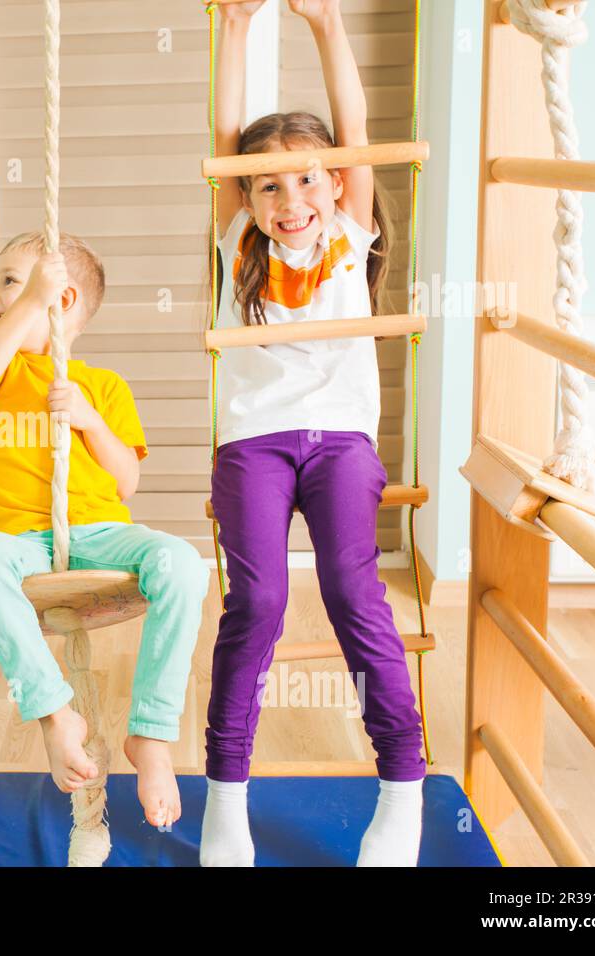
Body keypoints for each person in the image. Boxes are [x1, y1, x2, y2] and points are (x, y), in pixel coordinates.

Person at [202, 0, 426, 866]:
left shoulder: (347, 230)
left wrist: (327, 24)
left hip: (340, 439)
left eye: (305, 178)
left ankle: (400, 792)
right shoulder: (237, 240)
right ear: (246, 195)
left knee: (351, 591)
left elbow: (356, 127)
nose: (289, 198)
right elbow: (226, 133)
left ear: (336, 182)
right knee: (256, 601)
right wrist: (237, 26)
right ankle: (228, 802)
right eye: (267, 184)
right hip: (253, 441)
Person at [0, 232, 209, 828]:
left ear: (62, 301)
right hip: (17, 539)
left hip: (98, 531)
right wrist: (27, 302)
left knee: (183, 563)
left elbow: (126, 481)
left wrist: (88, 419)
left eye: (8, 280)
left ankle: (152, 736)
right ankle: (55, 713)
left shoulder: (104, 385)